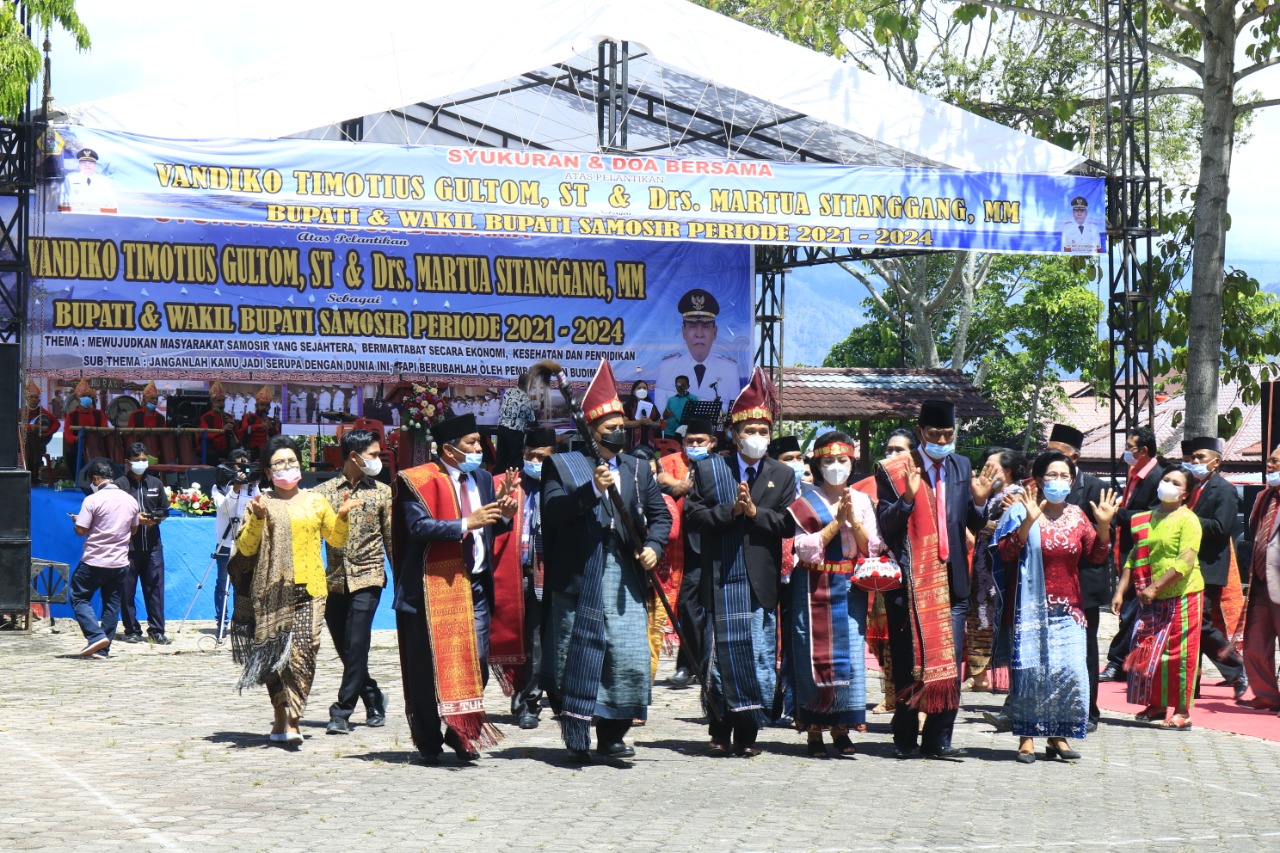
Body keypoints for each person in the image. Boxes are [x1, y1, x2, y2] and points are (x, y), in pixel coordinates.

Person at [541, 360, 671, 761]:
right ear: (592, 431)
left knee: (628, 651)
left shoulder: (636, 468)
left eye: (621, 426)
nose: (618, 433)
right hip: (581, 571)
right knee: (575, 653)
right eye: (609, 427)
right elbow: (554, 510)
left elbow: (661, 514)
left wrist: (654, 545)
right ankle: (577, 732)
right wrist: (591, 492)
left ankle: (613, 734)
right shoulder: (562, 464)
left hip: (625, 572)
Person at [390, 413, 515, 764]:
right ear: (448, 449)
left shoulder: (484, 479)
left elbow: (490, 530)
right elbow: (418, 528)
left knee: (476, 660)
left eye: (480, 442)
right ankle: (429, 741)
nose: (479, 449)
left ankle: (461, 731)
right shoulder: (419, 480)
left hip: (473, 585)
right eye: (472, 443)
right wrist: (465, 523)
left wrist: (504, 514)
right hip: (430, 588)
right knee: (427, 668)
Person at [685, 367, 796, 758]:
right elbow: (693, 517)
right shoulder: (709, 468)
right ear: (734, 435)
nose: (758, 438)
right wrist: (729, 512)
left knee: (758, 655)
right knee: (721, 658)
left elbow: (786, 523)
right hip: (720, 576)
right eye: (750, 431)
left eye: (764, 431)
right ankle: (719, 727)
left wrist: (753, 514)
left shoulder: (782, 474)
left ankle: (749, 734)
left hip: (759, 581)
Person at [876, 400, 995, 759]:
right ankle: (906, 737)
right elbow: (887, 525)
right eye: (934, 435)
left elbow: (971, 524)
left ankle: (939, 738)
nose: (942, 440)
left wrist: (979, 503)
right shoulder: (895, 471)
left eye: (948, 434)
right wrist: (908, 499)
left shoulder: (961, 465)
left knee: (949, 662)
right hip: (911, 582)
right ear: (919, 434)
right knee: (911, 659)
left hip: (953, 577)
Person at [229, 436, 356, 745]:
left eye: (292, 462)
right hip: (271, 591)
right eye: (279, 464)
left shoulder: (315, 501)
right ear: (267, 471)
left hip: (310, 590)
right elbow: (245, 548)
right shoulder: (259, 503)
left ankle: (295, 717)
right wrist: (258, 519)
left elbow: (336, 540)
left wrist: (342, 516)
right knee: (275, 657)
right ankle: (280, 715)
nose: (287, 468)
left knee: (304, 652)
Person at [996, 450, 1116, 763]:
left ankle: (1058, 736)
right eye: (1052, 475)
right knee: (1031, 672)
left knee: (1069, 672)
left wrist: (1103, 527)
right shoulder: (1023, 510)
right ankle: (1026, 737)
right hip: (1029, 607)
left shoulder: (1077, 515)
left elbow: (1096, 555)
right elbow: (1006, 553)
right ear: (1038, 479)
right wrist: (1028, 523)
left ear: (1073, 482)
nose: (1058, 481)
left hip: (1071, 609)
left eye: (1065, 476)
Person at [786, 432, 882, 758]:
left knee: (850, 658)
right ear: (818, 463)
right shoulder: (802, 502)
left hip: (849, 590)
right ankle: (814, 729)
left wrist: (852, 520)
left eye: (842, 460)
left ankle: (841, 727)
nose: (836, 466)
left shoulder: (863, 500)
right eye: (829, 461)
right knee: (810, 654)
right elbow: (804, 549)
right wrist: (833, 525)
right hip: (811, 586)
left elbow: (872, 547)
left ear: (852, 463)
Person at [1112, 465, 1204, 730]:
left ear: (1185, 494)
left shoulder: (1188, 520)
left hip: (1182, 595)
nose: (1168, 485)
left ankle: (1183, 712)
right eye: (1166, 479)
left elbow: (1185, 561)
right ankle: (1157, 704)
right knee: (1151, 648)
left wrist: (1155, 588)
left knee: (1180, 654)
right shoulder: (1143, 518)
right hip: (1149, 596)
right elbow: (1134, 556)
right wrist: (1120, 590)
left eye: (1176, 483)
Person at [315, 429, 392, 735]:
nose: (377, 460)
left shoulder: (383, 492)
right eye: (373, 455)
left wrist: (404, 582)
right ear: (354, 456)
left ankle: (341, 711)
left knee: (357, 643)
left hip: (369, 577)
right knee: (347, 649)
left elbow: (391, 540)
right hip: (334, 581)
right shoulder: (323, 493)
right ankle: (373, 697)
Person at [1046, 423, 1111, 731]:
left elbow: (1110, 529)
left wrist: (1103, 524)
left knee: (1085, 648)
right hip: (1049, 582)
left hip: (1084, 582)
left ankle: (1088, 710)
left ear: (1073, 457)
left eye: (1055, 452)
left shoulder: (1095, 487)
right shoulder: (1041, 484)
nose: (1050, 458)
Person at [491, 427, 557, 729]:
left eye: (541, 457)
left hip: (547, 574)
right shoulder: (504, 485)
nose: (533, 462)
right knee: (510, 637)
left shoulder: (562, 486)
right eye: (529, 456)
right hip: (510, 573)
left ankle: (530, 701)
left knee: (537, 640)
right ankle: (521, 691)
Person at [1181, 436, 1248, 699]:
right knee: (1192, 625)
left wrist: (1187, 518)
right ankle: (1191, 684)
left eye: (1200, 458)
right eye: (1193, 458)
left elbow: (1222, 527)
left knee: (1201, 623)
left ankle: (1236, 668)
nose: (1195, 462)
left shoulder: (1224, 490)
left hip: (1209, 567)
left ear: (1216, 462)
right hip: (1187, 567)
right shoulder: (1192, 487)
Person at [1102, 427, 1166, 681]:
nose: (1127, 453)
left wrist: (1117, 512)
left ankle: (1116, 661)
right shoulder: (1135, 473)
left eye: (1130, 448)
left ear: (1144, 451)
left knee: (1130, 608)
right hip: (1127, 548)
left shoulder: (1157, 477)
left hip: (1143, 552)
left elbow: (1150, 516)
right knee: (1126, 606)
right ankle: (1124, 661)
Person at [657, 418, 715, 689]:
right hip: (677, 547)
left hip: (712, 545)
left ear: (711, 443)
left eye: (700, 441)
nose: (694, 446)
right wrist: (675, 484)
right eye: (690, 442)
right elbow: (658, 481)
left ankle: (704, 664)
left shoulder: (720, 465)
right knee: (687, 607)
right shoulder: (668, 463)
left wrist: (686, 486)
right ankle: (689, 665)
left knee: (705, 608)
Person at [965, 447, 1026, 694]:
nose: (985, 472)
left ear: (1007, 471)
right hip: (982, 569)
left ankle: (990, 675)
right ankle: (978, 675)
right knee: (979, 621)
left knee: (993, 621)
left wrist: (981, 525)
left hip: (1000, 571)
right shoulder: (992, 496)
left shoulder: (1016, 496)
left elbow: (1009, 529)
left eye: (991, 467)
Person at [866, 429, 917, 714]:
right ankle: (893, 699)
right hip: (889, 576)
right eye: (889, 450)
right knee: (888, 644)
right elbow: (887, 524)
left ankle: (922, 708)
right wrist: (905, 498)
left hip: (923, 579)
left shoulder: (928, 484)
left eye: (899, 450)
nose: (892, 456)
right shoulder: (883, 485)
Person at [69, 461, 138, 658]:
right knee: (111, 604)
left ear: (96, 479)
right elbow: (133, 529)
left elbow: (81, 530)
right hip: (119, 561)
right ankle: (103, 649)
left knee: (79, 597)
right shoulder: (130, 500)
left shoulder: (93, 500)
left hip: (95, 559)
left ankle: (95, 635)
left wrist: (77, 522)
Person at [115, 443, 171, 644]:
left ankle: (157, 630)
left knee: (155, 589)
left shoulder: (156, 483)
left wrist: (157, 518)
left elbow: (165, 510)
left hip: (153, 546)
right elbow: (115, 514)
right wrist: (136, 519)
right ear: (128, 462)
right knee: (126, 590)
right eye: (137, 460)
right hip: (128, 547)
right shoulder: (120, 485)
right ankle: (131, 630)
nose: (141, 463)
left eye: (144, 459)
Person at [655, 288, 743, 411]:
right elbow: (661, 414)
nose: (699, 334)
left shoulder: (729, 369)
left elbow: (733, 414)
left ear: (715, 332)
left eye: (706, 326)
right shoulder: (667, 367)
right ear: (683, 332)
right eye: (692, 326)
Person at [1240, 444, 1280, 711]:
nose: (1270, 465)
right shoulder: (1263, 497)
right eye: (1269, 460)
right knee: (1254, 643)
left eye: (1276, 462)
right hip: (1260, 581)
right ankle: (1267, 695)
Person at [211, 448, 258, 640]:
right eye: (240, 466)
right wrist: (235, 489)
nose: (243, 471)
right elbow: (225, 509)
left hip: (245, 543)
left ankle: (241, 622)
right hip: (225, 541)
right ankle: (221, 622)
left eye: (245, 466)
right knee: (223, 584)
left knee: (244, 584)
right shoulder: (219, 487)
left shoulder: (253, 486)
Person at [64, 377, 109, 474]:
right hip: (78, 444)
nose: (87, 398)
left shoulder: (98, 413)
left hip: (96, 444)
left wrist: (101, 434)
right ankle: (76, 479)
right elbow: (68, 436)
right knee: (70, 454)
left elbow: (104, 428)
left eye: (89, 396)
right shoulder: (71, 415)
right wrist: (78, 439)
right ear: (78, 399)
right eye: (84, 396)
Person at [496, 372, 538, 474]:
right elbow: (532, 420)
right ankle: (513, 483)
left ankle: (497, 481)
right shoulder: (526, 400)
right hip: (515, 432)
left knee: (501, 458)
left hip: (501, 428)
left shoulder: (508, 392)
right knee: (515, 460)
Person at [58, 148, 119, 214]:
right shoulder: (68, 180)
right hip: (75, 219)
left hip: (99, 219)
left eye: (91, 162)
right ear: (79, 164)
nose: (87, 165)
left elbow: (112, 204)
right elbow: (62, 204)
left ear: (95, 165)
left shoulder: (104, 181)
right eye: (84, 162)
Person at [24, 379, 59, 483]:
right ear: (27, 398)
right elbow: (16, 426)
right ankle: (38, 465)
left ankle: (32, 475)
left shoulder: (42, 411)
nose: (34, 399)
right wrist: (30, 427)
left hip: (37, 443)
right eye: (32, 397)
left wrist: (48, 433)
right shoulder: (21, 411)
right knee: (30, 435)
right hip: (22, 442)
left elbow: (57, 423)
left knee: (30, 444)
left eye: (36, 397)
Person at [199, 380, 240, 464]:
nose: (222, 403)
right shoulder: (205, 417)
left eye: (223, 401)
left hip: (225, 448)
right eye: (218, 401)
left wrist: (234, 426)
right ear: (212, 403)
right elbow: (205, 434)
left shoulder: (228, 416)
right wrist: (222, 430)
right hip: (211, 448)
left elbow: (239, 436)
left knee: (238, 454)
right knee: (212, 455)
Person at [125, 381, 167, 462]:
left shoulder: (160, 417)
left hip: (156, 450)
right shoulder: (135, 415)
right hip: (137, 451)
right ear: (145, 400)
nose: (155, 401)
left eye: (156, 399)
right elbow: (130, 432)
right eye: (152, 398)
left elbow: (163, 435)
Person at [239, 386, 282, 455]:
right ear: (256, 406)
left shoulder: (270, 420)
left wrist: (272, 427)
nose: (264, 407)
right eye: (262, 405)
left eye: (267, 406)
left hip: (266, 452)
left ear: (269, 408)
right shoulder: (248, 417)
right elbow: (243, 431)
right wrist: (258, 426)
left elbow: (277, 437)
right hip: (250, 451)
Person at [623, 380, 662, 449]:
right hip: (632, 442)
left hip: (649, 443)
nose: (642, 390)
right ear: (634, 391)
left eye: (644, 388)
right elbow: (624, 423)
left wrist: (652, 423)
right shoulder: (628, 406)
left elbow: (658, 424)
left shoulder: (652, 406)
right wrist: (640, 422)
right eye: (639, 388)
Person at [662, 375, 698, 439]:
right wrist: (666, 414)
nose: (680, 387)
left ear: (688, 386)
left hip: (686, 433)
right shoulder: (671, 399)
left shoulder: (694, 399)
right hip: (670, 433)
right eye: (678, 385)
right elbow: (665, 416)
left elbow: (697, 416)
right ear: (675, 386)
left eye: (683, 385)